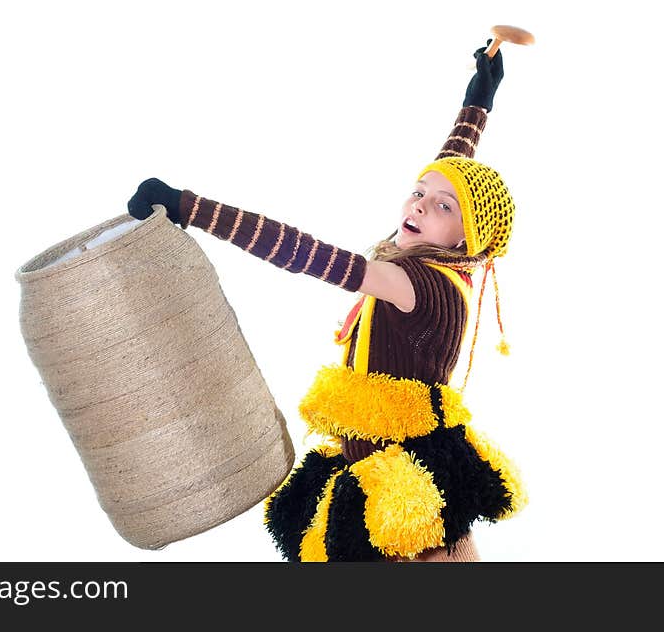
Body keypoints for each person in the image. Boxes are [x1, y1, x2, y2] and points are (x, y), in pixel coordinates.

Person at [126, 42, 526, 562]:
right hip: (371, 455)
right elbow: (452, 164)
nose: (421, 203)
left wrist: (193, 209)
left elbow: (303, 253)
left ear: (464, 238)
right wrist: (479, 99)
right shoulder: (435, 255)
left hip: (403, 478)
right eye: (418, 191)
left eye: (441, 206)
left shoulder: (415, 283)